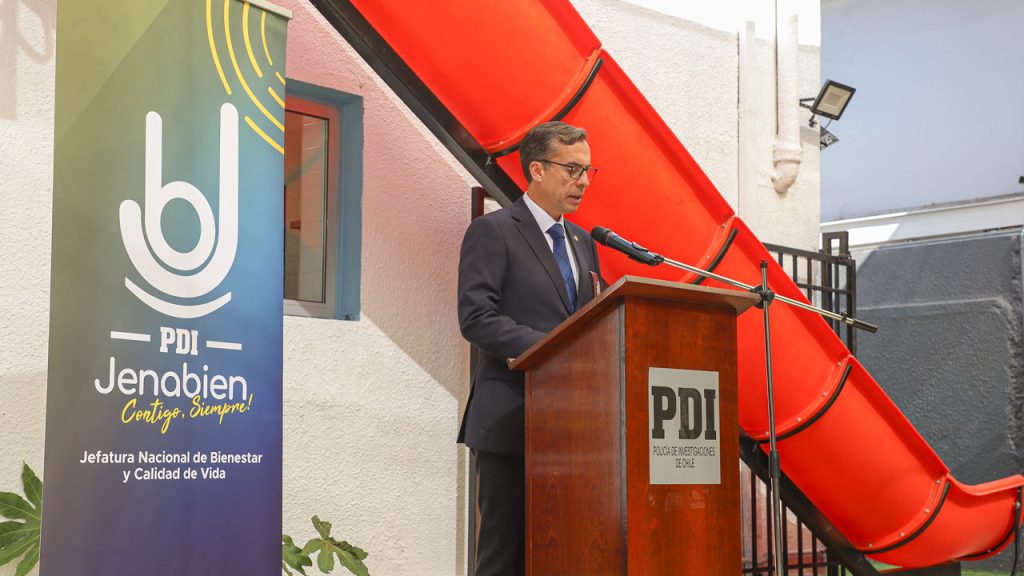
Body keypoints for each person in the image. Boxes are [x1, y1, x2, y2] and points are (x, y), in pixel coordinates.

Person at [457, 121, 602, 576]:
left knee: (561, 556)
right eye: (572, 169)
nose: (583, 181)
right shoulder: (494, 231)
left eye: (587, 170)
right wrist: (554, 350)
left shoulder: (583, 242)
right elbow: (477, 317)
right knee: (504, 559)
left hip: (571, 428)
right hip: (512, 420)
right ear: (536, 169)